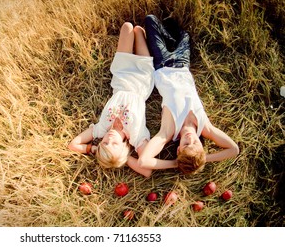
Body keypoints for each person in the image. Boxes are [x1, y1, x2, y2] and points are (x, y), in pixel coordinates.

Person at [68, 21, 175, 177]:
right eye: (115, 144)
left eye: (105, 143)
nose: (109, 139)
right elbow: (147, 170)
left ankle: (137, 34)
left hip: (122, 75)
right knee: (138, 31)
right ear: (124, 148)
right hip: (142, 80)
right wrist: (125, 159)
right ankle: (143, 35)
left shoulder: (100, 129)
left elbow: (73, 145)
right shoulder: (136, 137)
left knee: (126, 27)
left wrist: (92, 149)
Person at [138, 14, 239, 174]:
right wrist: (204, 159)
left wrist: (175, 163)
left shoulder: (169, 132)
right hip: (183, 62)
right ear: (202, 147)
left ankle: (168, 38)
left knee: (150, 20)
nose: (190, 138)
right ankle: (171, 37)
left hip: (162, 62)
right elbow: (234, 149)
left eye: (186, 145)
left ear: (178, 150)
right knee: (184, 35)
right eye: (196, 144)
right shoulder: (205, 128)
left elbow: (143, 161)